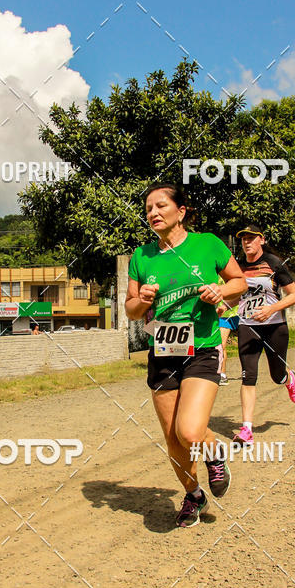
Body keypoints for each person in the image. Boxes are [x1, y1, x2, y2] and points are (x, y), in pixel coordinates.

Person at [125, 183, 247, 527]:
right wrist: (143, 300)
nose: (153, 213)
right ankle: (193, 495)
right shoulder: (141, 257)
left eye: (161, 206)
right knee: (172, 437)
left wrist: (219, 290)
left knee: (190, 432)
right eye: (148, 208)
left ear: (181, 212)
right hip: (163, 349)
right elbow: (131, 311)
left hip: (203, 346)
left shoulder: (207, 244)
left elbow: (239, 282)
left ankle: (215, 452)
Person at [232, 225, 295, 446]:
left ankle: (287, 378)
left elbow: (294, 295)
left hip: (274, 327)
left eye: (251, 238)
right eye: (243, 239)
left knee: (276, 375)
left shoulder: (273, 263)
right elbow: (237, 296)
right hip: (247, 326)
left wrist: (271, 309)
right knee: (248, 376)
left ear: (261, 240)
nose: (247, 242)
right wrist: (223, 307)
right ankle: (247, 429)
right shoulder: (237, 266)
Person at [216, 298, 239, 386]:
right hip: (223, 315)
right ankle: (222, 374)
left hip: (239, 313)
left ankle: (248, 371)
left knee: (244, 345)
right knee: (221, 345)